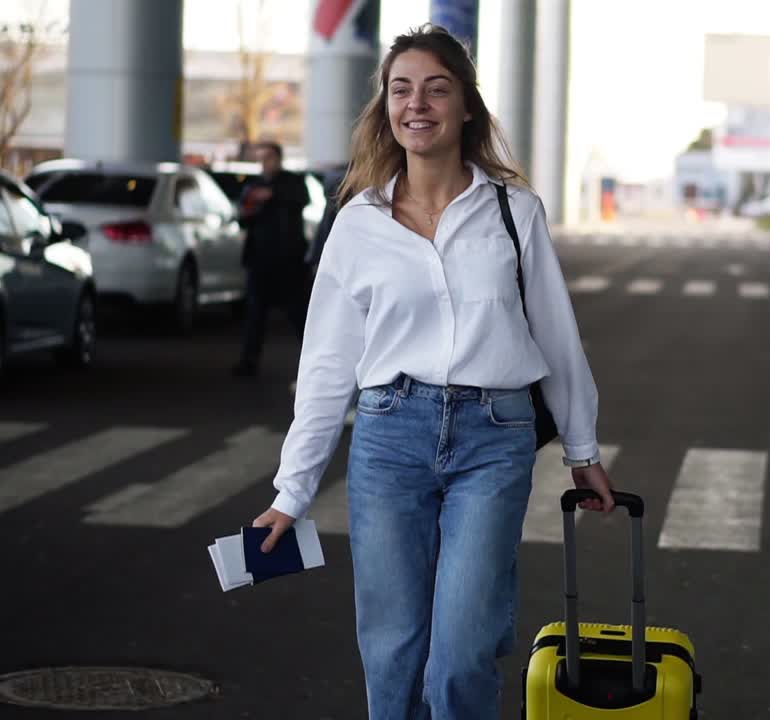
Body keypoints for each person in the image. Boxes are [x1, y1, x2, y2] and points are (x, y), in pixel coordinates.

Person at [250, 24, 615, 720]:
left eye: (436, 88)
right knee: (392, 650)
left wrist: (583, 449)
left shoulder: (514, 212)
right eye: (401, 89)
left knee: (462, 652)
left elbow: (558, 340)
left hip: (494, 437)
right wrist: (292, 489)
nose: (417, 104)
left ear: (466, 106)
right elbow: (327, 365)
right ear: (385, 108)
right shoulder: (357, 224)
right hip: (390, 437)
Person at [233, 141, 311, 377]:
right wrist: (251, 206)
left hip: (289, 260)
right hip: (260, 259)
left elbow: (300, 199)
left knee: (299, 313)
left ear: (278, 158)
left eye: (269, 157)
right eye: (262, 158)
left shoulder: (292, 182)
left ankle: (313, 362)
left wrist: (272, 195)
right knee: (255, 312)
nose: (265, 163)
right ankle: (249, 361)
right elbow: (243, 217)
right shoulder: (253, 185)